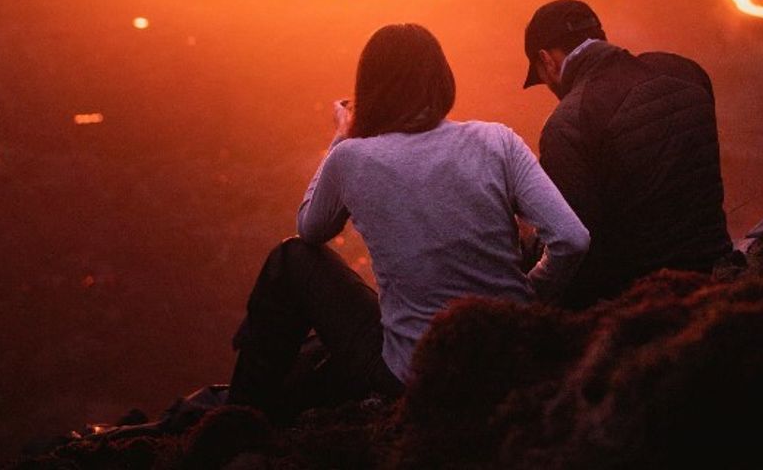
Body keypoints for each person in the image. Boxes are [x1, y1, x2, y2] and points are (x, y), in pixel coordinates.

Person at [229, 23, 589, 418]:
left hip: (416, 376)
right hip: (513, 358)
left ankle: (241, 417)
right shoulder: (497, 141)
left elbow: (310, 229)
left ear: (369, 91)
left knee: (292, 259)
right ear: (441, 79)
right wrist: (527, 293)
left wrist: (342, 138)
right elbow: (572, 239)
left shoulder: (351, 157)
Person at [522, 0, 730, 308]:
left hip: (641, 297)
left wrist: (531, 269)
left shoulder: (569, 122)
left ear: (546, 60)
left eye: (542, 76)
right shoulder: (687, 73)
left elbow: (577, 249)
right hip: (717, 269)